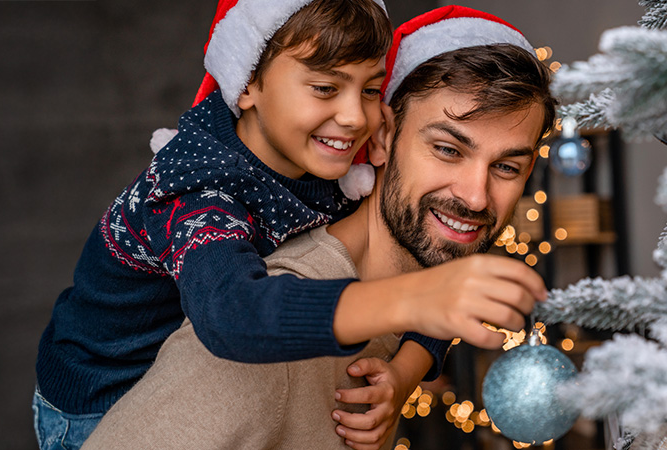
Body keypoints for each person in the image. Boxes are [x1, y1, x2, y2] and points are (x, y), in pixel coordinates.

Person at [80, 6, 558, 450]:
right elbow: (234, 316)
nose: (475, 197)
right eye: (448, 150)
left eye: (507, 168)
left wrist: (408, 368)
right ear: (384, 138)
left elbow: (435, 297)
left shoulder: (329, 175)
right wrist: (419, 299)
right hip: (92, 389)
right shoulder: (204, 199)